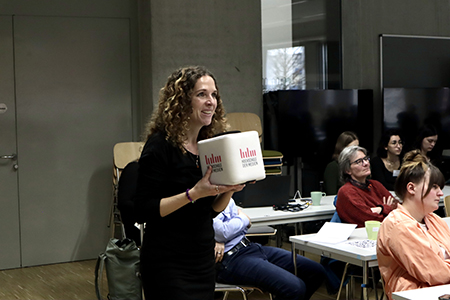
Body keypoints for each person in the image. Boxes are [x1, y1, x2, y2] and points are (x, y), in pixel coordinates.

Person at [134, 66, 246, 300]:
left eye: (214, 95)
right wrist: (193, 193)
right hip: (168, 262)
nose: (211, 102)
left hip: (202, 259)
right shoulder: (160, 146)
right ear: (182, 101)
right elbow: (144, 210)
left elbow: (210, 211)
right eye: (201, 94)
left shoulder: (209, 145)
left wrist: (229, 189)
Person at [213, 199, 327, 300]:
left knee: (316, 271)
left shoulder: (226, 196)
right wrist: (243, 218)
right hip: (229, 259)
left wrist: (227, 231)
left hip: (250, 247)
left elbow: (225, 231)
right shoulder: (203, 198)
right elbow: (222, 232)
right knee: (295, 289)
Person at [377, 150, 450, 300]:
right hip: (413, 294)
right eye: (434, 187)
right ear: (411, 188)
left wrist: (443, 264)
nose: (440, 193)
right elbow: (435, 273)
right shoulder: (397, 224)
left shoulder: (434, 220)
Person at [336, 145, 397, 228]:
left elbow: (398, 208)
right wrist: (387, 209)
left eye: (365, 159)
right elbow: (369, 220)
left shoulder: (376, 185)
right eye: (359, 161)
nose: (366, 163)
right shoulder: (347, 191)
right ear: (348, 170)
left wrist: (381, 209)